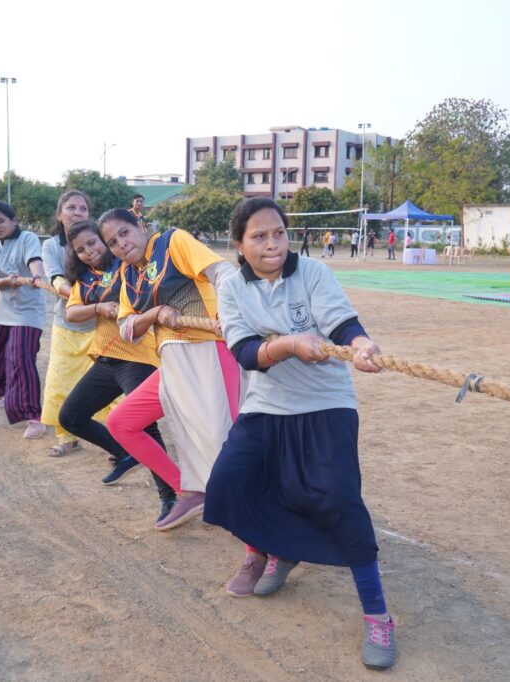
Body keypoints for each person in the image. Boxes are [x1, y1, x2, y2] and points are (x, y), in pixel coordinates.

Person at [204, 197, 395, 669]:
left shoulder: (312, 273)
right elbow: (247, 353)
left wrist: (361, 343)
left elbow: (343, 323)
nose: (272, 244)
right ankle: (268, 552)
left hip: (326, 403)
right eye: (259, 236)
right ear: (239, 244)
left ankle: (377, 613)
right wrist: (289, 344)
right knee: (230, 482)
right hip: (268, 404)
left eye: (279, 233)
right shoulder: (231, 288)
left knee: (336, 499)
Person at [99, 208, 241, 531]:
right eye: (112, 242)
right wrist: (156, 313)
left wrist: (232, 312)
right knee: (122, 422)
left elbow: (222, 271)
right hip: (172, 364)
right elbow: (126, 328)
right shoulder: (127, 275)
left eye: (124, 233)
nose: (121, 244)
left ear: (140, 224)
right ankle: (190, 490)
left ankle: (264, 542)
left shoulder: (172, 242)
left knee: (225, 443)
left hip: (208, 350)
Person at [57, 218, 178, 522]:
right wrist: (98, 308)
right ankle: (125, 452)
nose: (88, 252)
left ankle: (171, 496)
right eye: (80, 249)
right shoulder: (85, 279)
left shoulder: (126, 267)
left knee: (143, 425)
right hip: (105, 360)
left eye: (93, 243)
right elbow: (71, 312)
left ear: (105, 240)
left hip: (137, 357)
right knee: (70, 417)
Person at [40, 190, 104, 457]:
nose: (77, 213)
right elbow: (55, 278)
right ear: (59, 214)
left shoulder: (99, 240)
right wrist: (74, 293)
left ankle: (113, 439)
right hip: (67, 324)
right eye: (71, 208)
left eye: (83, 209)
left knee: (106, 385)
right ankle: (67, 437)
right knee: (60, 381)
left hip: (102, 324)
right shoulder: (51, 246)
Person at [0, 201, 48, 437]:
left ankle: (34, 417)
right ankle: (5, 392)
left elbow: (34, 261)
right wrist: (6, 282)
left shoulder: (27, 238)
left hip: (28, 312)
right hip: (4, 310)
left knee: (20, 359)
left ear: (13, 221)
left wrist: (36, 275)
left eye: (1, 221)